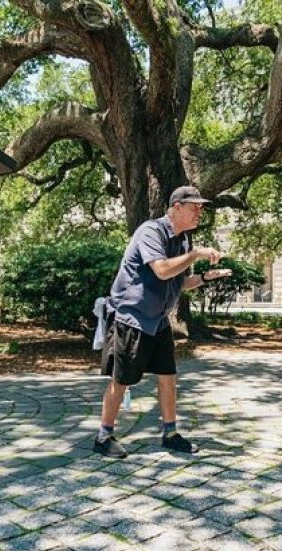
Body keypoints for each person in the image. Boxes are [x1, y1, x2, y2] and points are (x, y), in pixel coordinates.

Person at [95, 185, 232, 459]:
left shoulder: (182, 241)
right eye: (194, 207)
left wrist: (206, 278)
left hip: (158, 320)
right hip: (132, 317)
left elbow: (179, 281)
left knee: (168, 376)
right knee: (121, 380)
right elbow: (161, 270)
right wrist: (195, 255)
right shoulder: (151, 231)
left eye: (201, 208)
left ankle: (170, 434)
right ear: (176, 207)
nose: (199, 213)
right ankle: (103, 435)